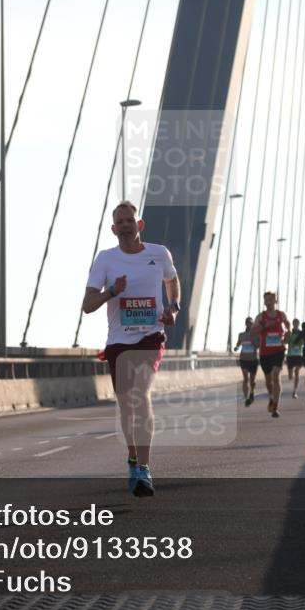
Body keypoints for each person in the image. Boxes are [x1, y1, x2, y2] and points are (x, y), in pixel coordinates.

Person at [82, 200, 180, 497]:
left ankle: (144, 469)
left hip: (151, 336)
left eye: (130, 220)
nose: (125, 225)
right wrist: (112, 291)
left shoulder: (159, 253)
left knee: (141, 395)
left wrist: (173, 308)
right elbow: (87, 306)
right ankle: (134, 457)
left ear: (140, 225)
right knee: (127, 405)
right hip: (119, 342)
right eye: (120, 222)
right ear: (113, 229)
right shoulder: (105, 260)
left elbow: (172, 281)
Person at [251, 291, 290, 419]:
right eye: (266, 300)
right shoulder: (261, 317)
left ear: (275, 301)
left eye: (271, 300)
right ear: (264, 302)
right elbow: (253, 332)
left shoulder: (281, 314)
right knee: (268, 380)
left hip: (278, 350)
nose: (268, 302)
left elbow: (288, 325)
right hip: (265, 352)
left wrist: (288, 334)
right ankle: (271, 397)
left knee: (276, 375)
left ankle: (275, 407)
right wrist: (264, 325)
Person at [234, 317, 259, 407]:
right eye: (248, 323)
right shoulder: (241, 334)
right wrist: (236, 347)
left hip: (253, 359)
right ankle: (245, 397)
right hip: (243, 359)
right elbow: (239, 342)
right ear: (245, 324)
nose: (249, 324)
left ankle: (252, 392)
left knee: (252, 379)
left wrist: (254, 343)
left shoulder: (256, 335)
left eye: (251, 323)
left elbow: (258, 345)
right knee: (245, 378)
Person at [286, 318, 304, 398]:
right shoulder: (289, 333)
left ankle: (294, 391)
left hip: (298, 355)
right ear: (293, 324)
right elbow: (286, 341)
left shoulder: (301, 333)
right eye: (294, 323)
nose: (296, 324)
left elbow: (304, 342)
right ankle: (291, 378)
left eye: (297, 323)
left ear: (298, 324)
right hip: (290, 355)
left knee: (297, 372)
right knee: (290, 376)